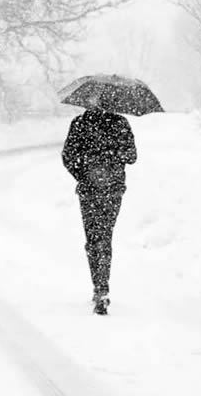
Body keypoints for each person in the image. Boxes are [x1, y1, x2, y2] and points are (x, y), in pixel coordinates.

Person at [61, 92, 137, 315]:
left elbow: (67, 156)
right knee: (105, 236)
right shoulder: (120, 123)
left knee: (93, 237)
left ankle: (99, 286)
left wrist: (83, 175)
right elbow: (132, 156)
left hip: (89, 191)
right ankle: (102, 286)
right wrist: (113, 154)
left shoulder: (80, 123)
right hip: (113, 190)